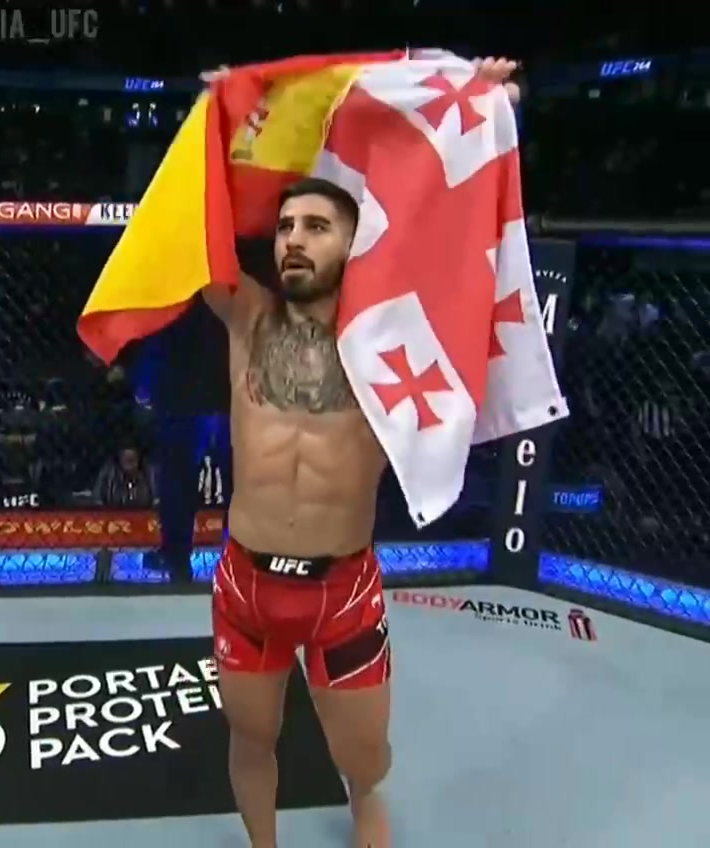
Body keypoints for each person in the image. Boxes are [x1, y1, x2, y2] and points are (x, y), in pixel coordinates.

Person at [201, 57, 520, 847]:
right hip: (245, 581)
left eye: (316, 227)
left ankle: (364, 802)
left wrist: (478, 104)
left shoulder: (389, 333)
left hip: (340, 587)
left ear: (354, 241)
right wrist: (225, 114)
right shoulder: (247, 318)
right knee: (251, 737)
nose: (294, 241)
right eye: (285, 227)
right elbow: (189, 233)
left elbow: (450, 219)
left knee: (364, 758)